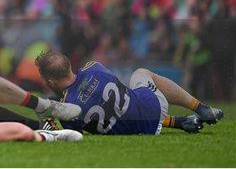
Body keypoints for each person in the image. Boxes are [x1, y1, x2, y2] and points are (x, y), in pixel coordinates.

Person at [34, 51, 224, 135]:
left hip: (132, 128)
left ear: (50, 81)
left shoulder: (68, 107)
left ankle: (189, 117)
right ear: (69, 65)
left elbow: (74, 133)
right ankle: (200, 108)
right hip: (150, 108)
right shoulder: (94, 67)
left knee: (117, 112)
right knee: (141, 74)